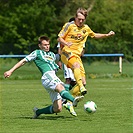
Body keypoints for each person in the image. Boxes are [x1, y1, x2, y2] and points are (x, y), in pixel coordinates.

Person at [4, 35, 84, 119]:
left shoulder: (52, 55)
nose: (47, 46)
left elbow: (62, 56)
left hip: (53, 77)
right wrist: (10, 71)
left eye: (48, 44)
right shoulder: (37, 53)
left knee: (58, 108)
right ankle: (72, 100)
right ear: (40, 45)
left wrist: (70, 46)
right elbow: (23, 61)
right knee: (61, 87)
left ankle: (38, 112)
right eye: (45, 45)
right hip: (47, 76)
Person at [57, 7, 115, 96]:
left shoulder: (86, 28)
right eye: (79, 19)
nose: (80, 21)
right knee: (75, 71)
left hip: (77, 55)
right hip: (66, 52)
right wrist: (66, 43)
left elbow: (94, 35)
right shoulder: (69, 25)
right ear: (75, 17)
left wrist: (107, 35)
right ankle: (80, 87)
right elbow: (59, 38)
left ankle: (69, 101)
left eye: (82, 20)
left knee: (83, 82)